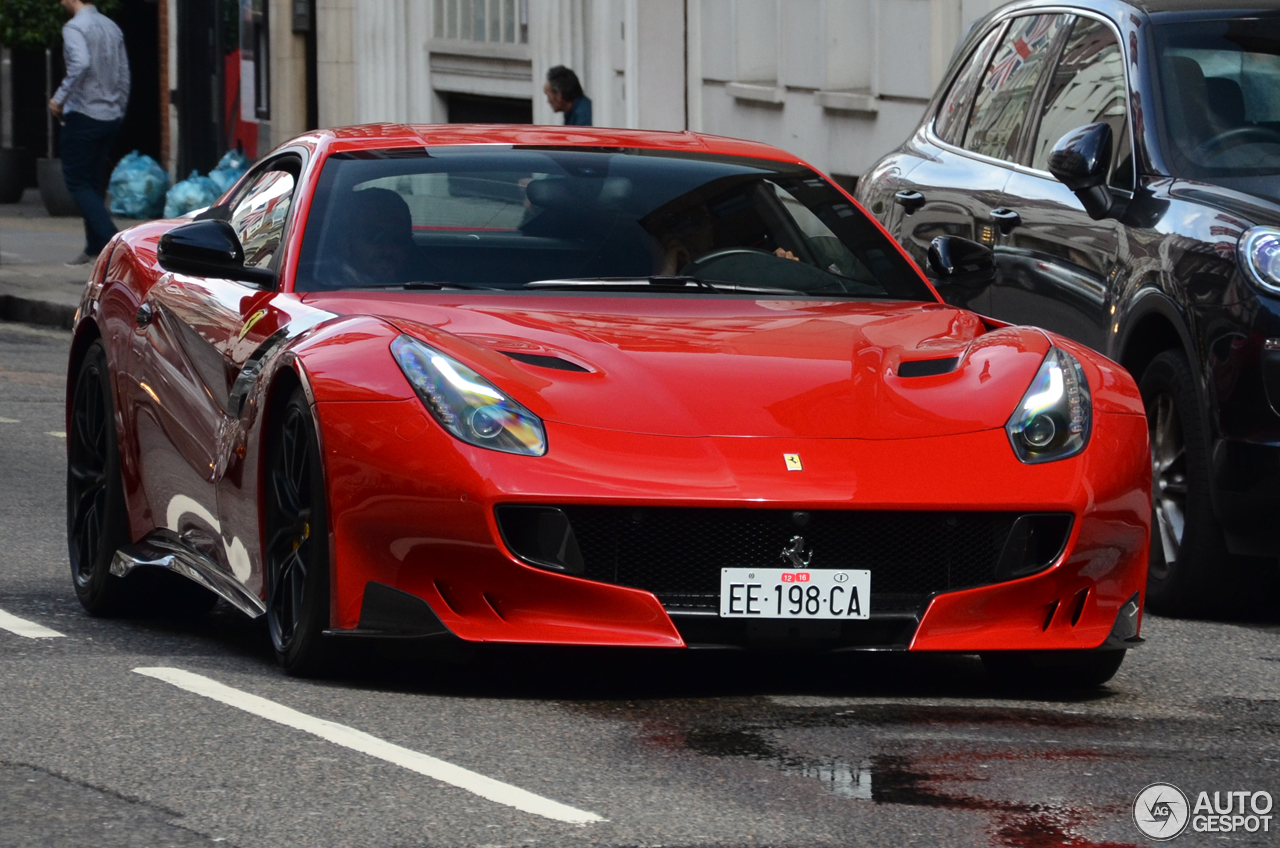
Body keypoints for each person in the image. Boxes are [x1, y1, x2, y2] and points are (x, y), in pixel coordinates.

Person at [47, 0, 130, 266]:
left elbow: (80, 63)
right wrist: (119, 108)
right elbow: (123, 74)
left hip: (83, 114)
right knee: (92, 182)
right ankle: (94, 247)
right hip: (110, 115)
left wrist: (59, 98)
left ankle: (111, 242)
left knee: (77, 182)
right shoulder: (111, 27)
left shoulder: (74, 28)